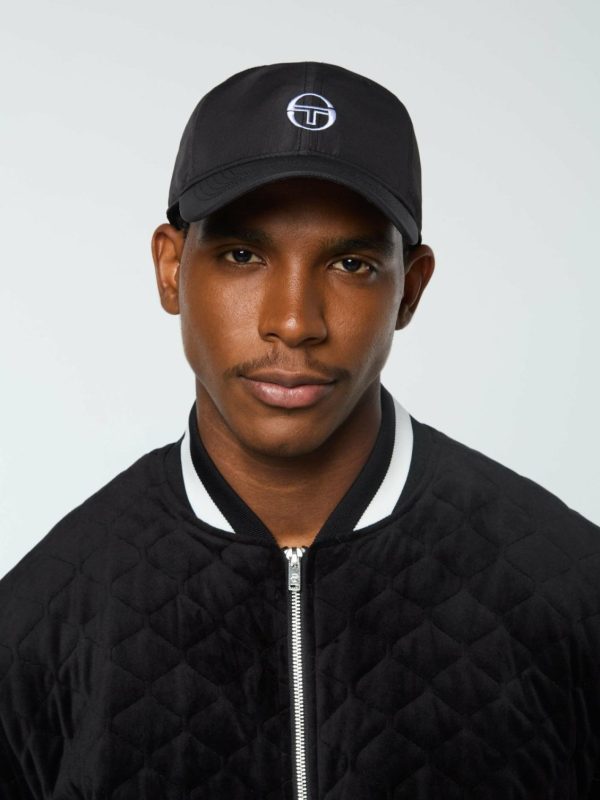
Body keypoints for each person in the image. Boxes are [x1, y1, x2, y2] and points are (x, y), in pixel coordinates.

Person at [1, 61, 599, 800]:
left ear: (410, 289)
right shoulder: (36, 629)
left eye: (351, 263)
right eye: (243, 255)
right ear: (170, 268)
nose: (294, 321)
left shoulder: (573, 593)